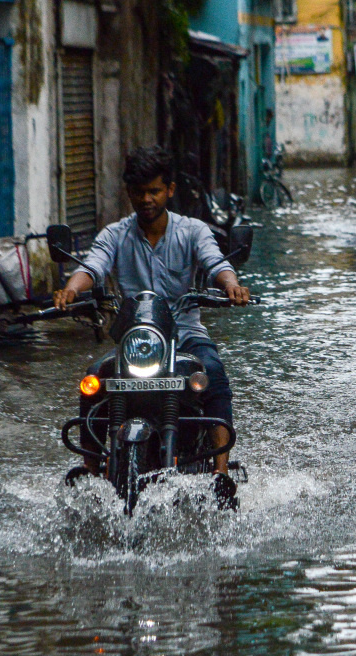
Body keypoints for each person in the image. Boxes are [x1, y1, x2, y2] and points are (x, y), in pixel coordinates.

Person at [53, 145, 251, 478]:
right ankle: (90, 470)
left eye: (155, 191)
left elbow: (216, 262)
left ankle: (221, 474)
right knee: (93, 381)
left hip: (184, 336)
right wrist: (71, 289)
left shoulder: (192, 230)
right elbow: (93, 265)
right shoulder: (115, 234)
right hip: (134, 342)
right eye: (139, 192)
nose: (147, 199)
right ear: (129, 193)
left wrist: (230, 284)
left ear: (170, 190)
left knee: (213, 373)